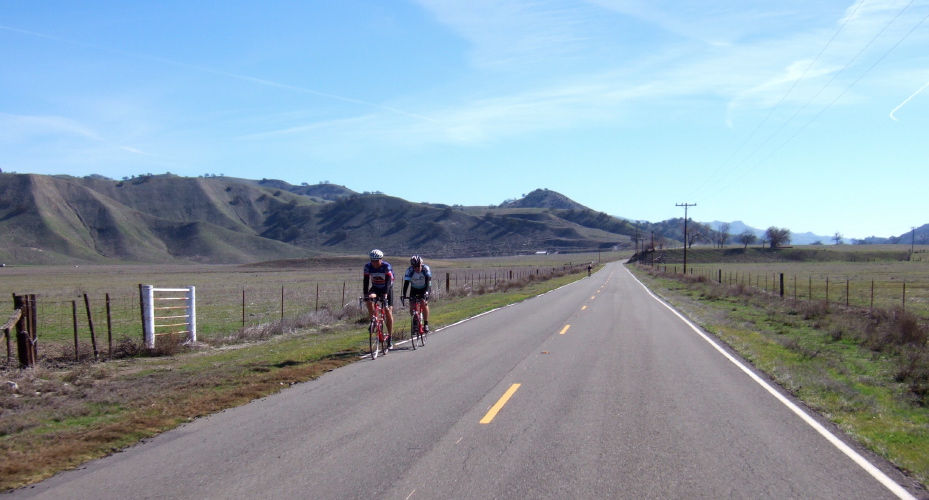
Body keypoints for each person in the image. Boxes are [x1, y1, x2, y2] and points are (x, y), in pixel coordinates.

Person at [363, 249, 394, 348]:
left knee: (387, 310)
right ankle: (373, 320)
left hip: (387, 288)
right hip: (376, 287)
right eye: (373, 260)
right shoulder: (368, 267)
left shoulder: (386, 266)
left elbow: (389, 282)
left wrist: (385, 294)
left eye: (377, 261)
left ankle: (390, 337)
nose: (374, 263)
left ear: (381, 259)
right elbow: (366, 281)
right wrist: (365, 294)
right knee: (368, 299)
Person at [402, 255, 432, 332]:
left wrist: (427, 292)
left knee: (423, 302)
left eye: (418, 266)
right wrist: (404, 294)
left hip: (424, 288)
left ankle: (426, 324)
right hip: (414, 289)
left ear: (421, 264)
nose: (417, 268)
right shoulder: (409, 270)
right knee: (412, 303)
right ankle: (415, 322)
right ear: (412, 266)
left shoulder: (426, 269)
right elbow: (406, 284)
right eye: (415, 267)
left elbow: (429, 283)